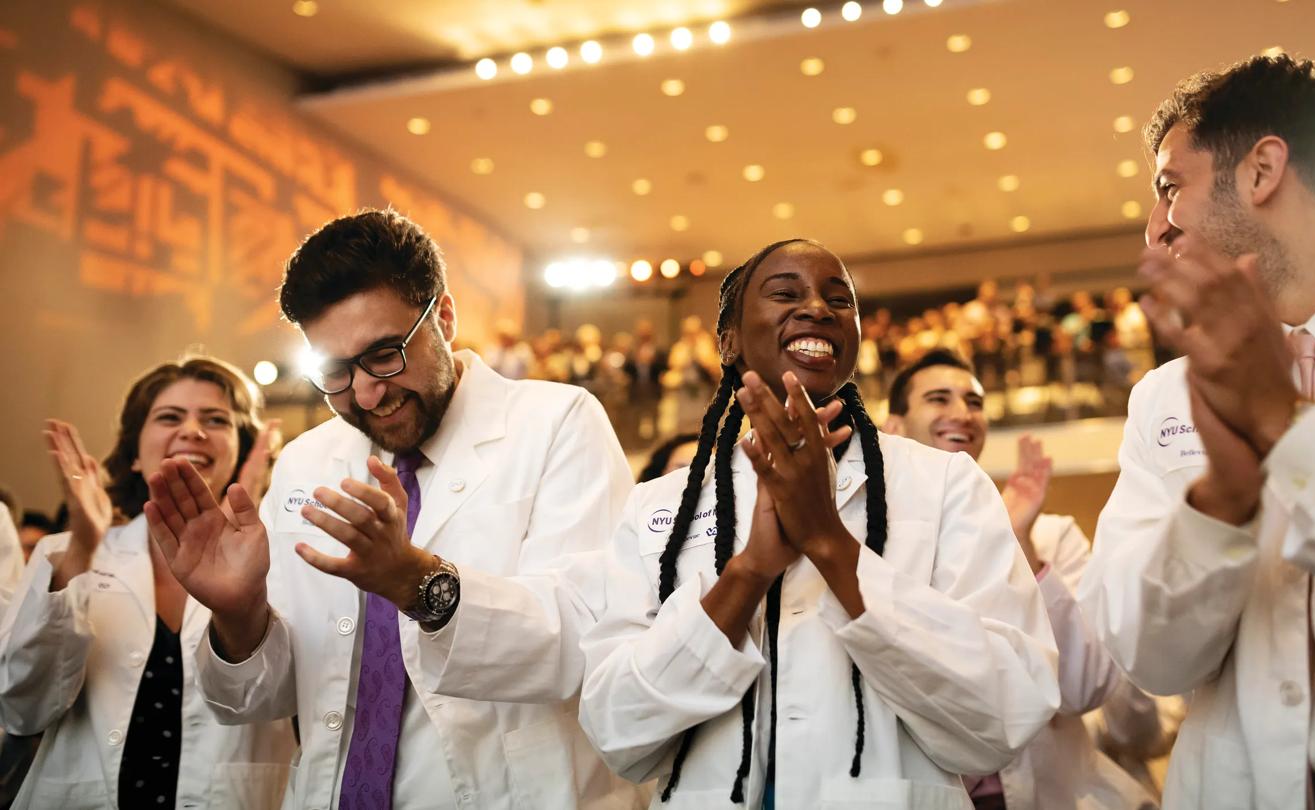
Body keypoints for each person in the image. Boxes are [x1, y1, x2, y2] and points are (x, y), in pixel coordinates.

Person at [144, 210, 645, 810]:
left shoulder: (556, 422)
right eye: (334, 371)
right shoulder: (308, 463)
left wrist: (414, 581)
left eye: (385, 354)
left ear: (445, 317)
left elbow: (583, 642)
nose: (365, 393)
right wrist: (238, 616)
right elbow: (261, 700)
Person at [580, 239, 1060, 808]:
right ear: (728, 341)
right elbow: (617, 730)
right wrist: (749, 572)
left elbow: (1005, 714)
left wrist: (831, 543)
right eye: (786, 293)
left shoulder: (946, 484)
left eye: (840, 300)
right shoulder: (657, 508)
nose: (817, 308)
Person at [1078, 54, 1315, 810]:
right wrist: (1221, 504)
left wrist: (1286, 426)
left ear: (1263, 169)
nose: (1155, 226)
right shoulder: (1163, 396)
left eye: (1171, 187)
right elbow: (1149, 661)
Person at [0, 357, 295, 809]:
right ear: (135, 453)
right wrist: (82, 545)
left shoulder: (286, 559)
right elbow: (22, 709)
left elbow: (276, 700)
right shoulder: (64, 552)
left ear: (241, 449)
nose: (193, 430)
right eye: (170, 417)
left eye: (216, 420)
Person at [883, 349, 1157, 810]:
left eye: (974, 402)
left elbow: (1084, 687)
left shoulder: (1054, 533)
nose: (962, 414)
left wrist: (1021, 544)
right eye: (938, 398)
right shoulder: (872, 545)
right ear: (893, 426)